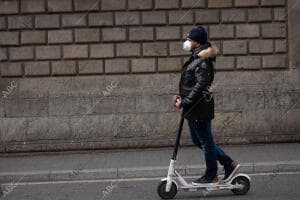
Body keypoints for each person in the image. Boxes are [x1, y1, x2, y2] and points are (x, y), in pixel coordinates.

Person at [173, 26, 238, 185]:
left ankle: (211, 175)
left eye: (189, 39)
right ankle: (229, 164)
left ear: (197, 42)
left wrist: (186, 101)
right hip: (193, 107)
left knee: (206, 141)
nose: (186, 42)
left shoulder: (202, 59)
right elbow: (192, 83)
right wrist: (182, 96)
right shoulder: (196, 56)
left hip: (199, 107)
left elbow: (202, 83)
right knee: (199, 140)